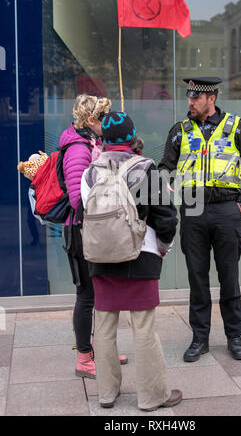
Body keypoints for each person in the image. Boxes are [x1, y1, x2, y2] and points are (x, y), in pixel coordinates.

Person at [81, 111, 182, 411]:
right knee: (144, 329)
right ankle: (153, 396)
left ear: (105, 140)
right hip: (141, 257)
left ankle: (107, 394)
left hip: (101, 259)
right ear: (133, 137)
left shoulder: (90, 173)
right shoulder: (147, 170)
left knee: (104, 328)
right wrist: (163, 248)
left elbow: (84, 211)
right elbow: (166, 218)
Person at [158, 77, 241, 362]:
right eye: (189, 97)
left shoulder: (236, 127)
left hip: (227, 209)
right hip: (192, 210)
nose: (190, 103)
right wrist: (165, 184)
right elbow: (165, 167)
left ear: (210, 98)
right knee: (197, 277)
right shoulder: (179, 132)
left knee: (229, 276)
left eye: (195, 98)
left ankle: (234, 335)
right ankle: (199, 338)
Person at [59, 95, 128, 379]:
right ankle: (84, 359)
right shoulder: (77, 148)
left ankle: (102, 350)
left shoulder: (93, 143)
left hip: (93, 229)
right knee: (86, 296)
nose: (108, 121)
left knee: (99, 293)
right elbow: (78, 199)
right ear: (90, 121)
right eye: (104, 117)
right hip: (80, 231)